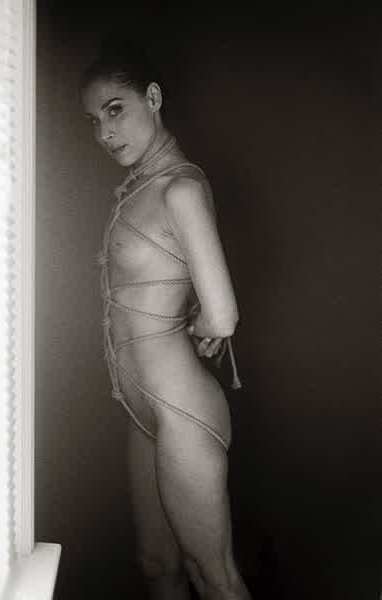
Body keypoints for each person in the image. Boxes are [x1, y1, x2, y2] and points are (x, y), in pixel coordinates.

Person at [80, 38, 252, 600]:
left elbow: (223, 317)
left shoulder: (180, 189)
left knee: (215, 578)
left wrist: (201, 326)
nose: (105, 132)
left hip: (181, 410)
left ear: (152, 98)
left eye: (115, 110)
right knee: (156, 564)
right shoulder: (137, 190)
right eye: (95, 120)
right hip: (141, 409)